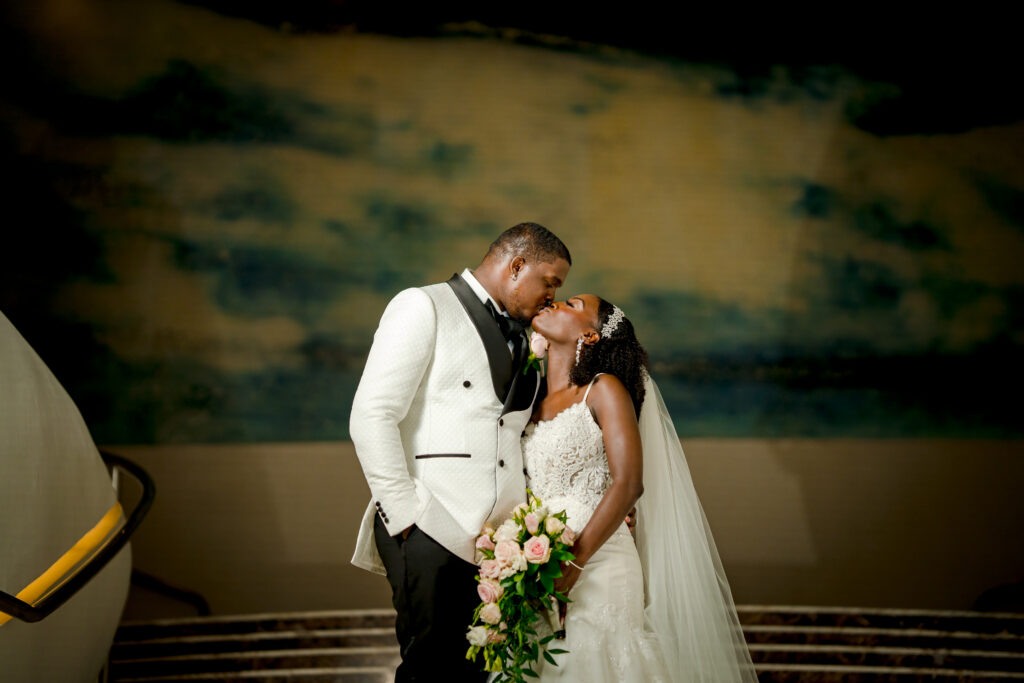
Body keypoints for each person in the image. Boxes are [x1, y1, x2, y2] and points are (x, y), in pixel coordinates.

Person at [349, 223, 572, 682]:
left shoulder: (530, 339)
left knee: (475, 677)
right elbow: (371, 414)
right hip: (429, 524)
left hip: (496, 547)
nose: (552, 296)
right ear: (516, 266)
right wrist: (405, 516)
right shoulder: (422, 305)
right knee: (431, 672)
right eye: (549, 282)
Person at [523, 295, 759, 682]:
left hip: (598, 566)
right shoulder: (530, 400)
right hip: (541, 573)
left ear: (590, 334)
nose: (554, 303)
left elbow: (629, 482)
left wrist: (574, 564)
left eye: (570, 302)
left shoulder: (603, 389)